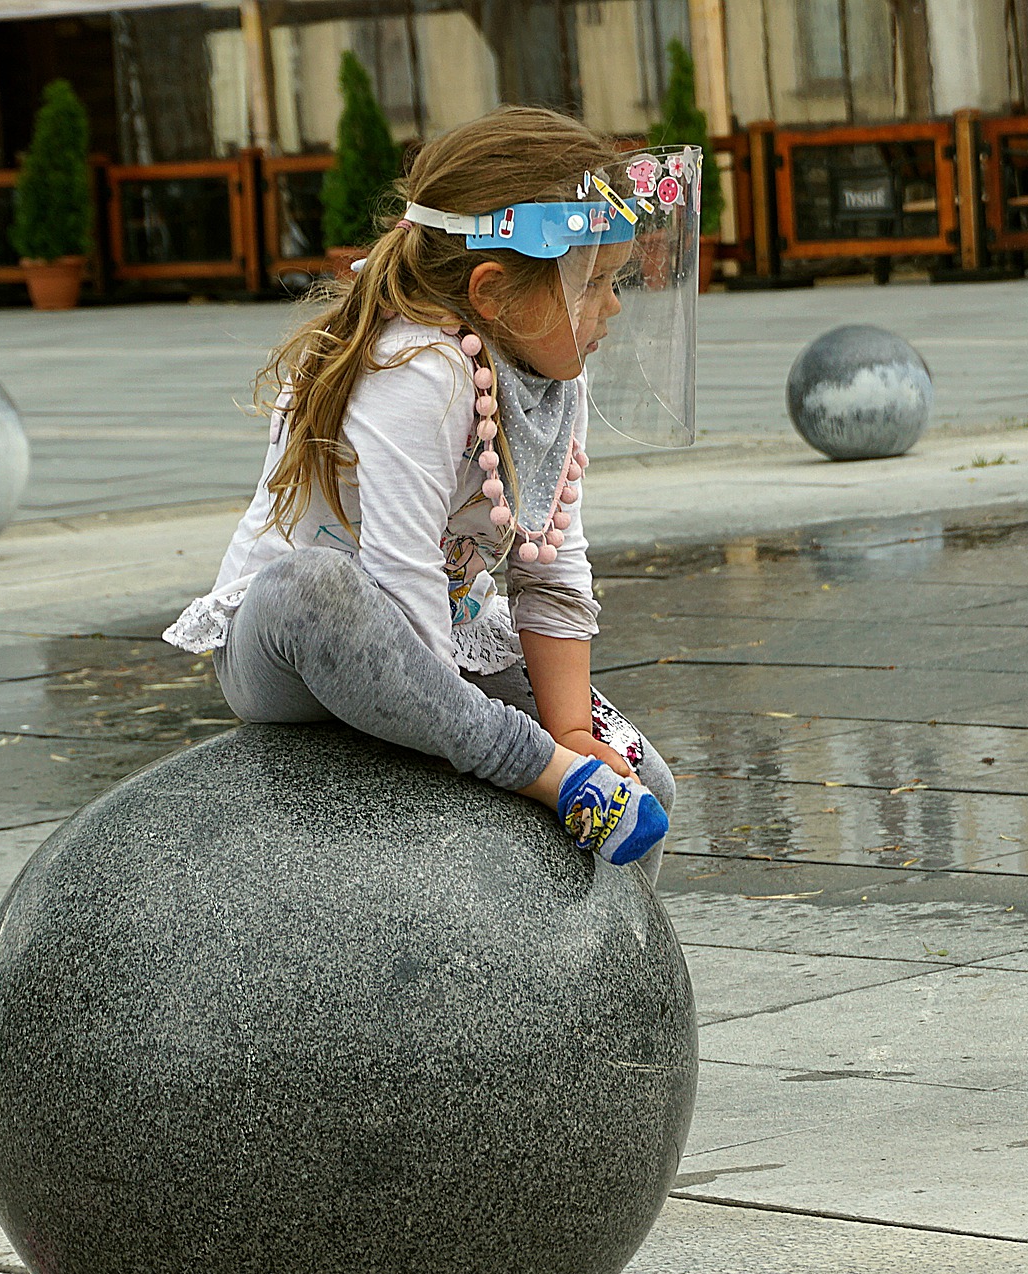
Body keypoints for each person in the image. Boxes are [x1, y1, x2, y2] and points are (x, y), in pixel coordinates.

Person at [163, 105, 699, 875]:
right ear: (494, 291)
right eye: (593, 282)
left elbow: (550, 567)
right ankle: (540, 772)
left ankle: (617, 969)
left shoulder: (553, 380)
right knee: (316, 587)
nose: (612, 306)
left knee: (642, 782)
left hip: (448, 638)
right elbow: (401, 571)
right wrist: (513, 750)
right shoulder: (419, 368)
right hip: (299, 651)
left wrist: (576, 731)